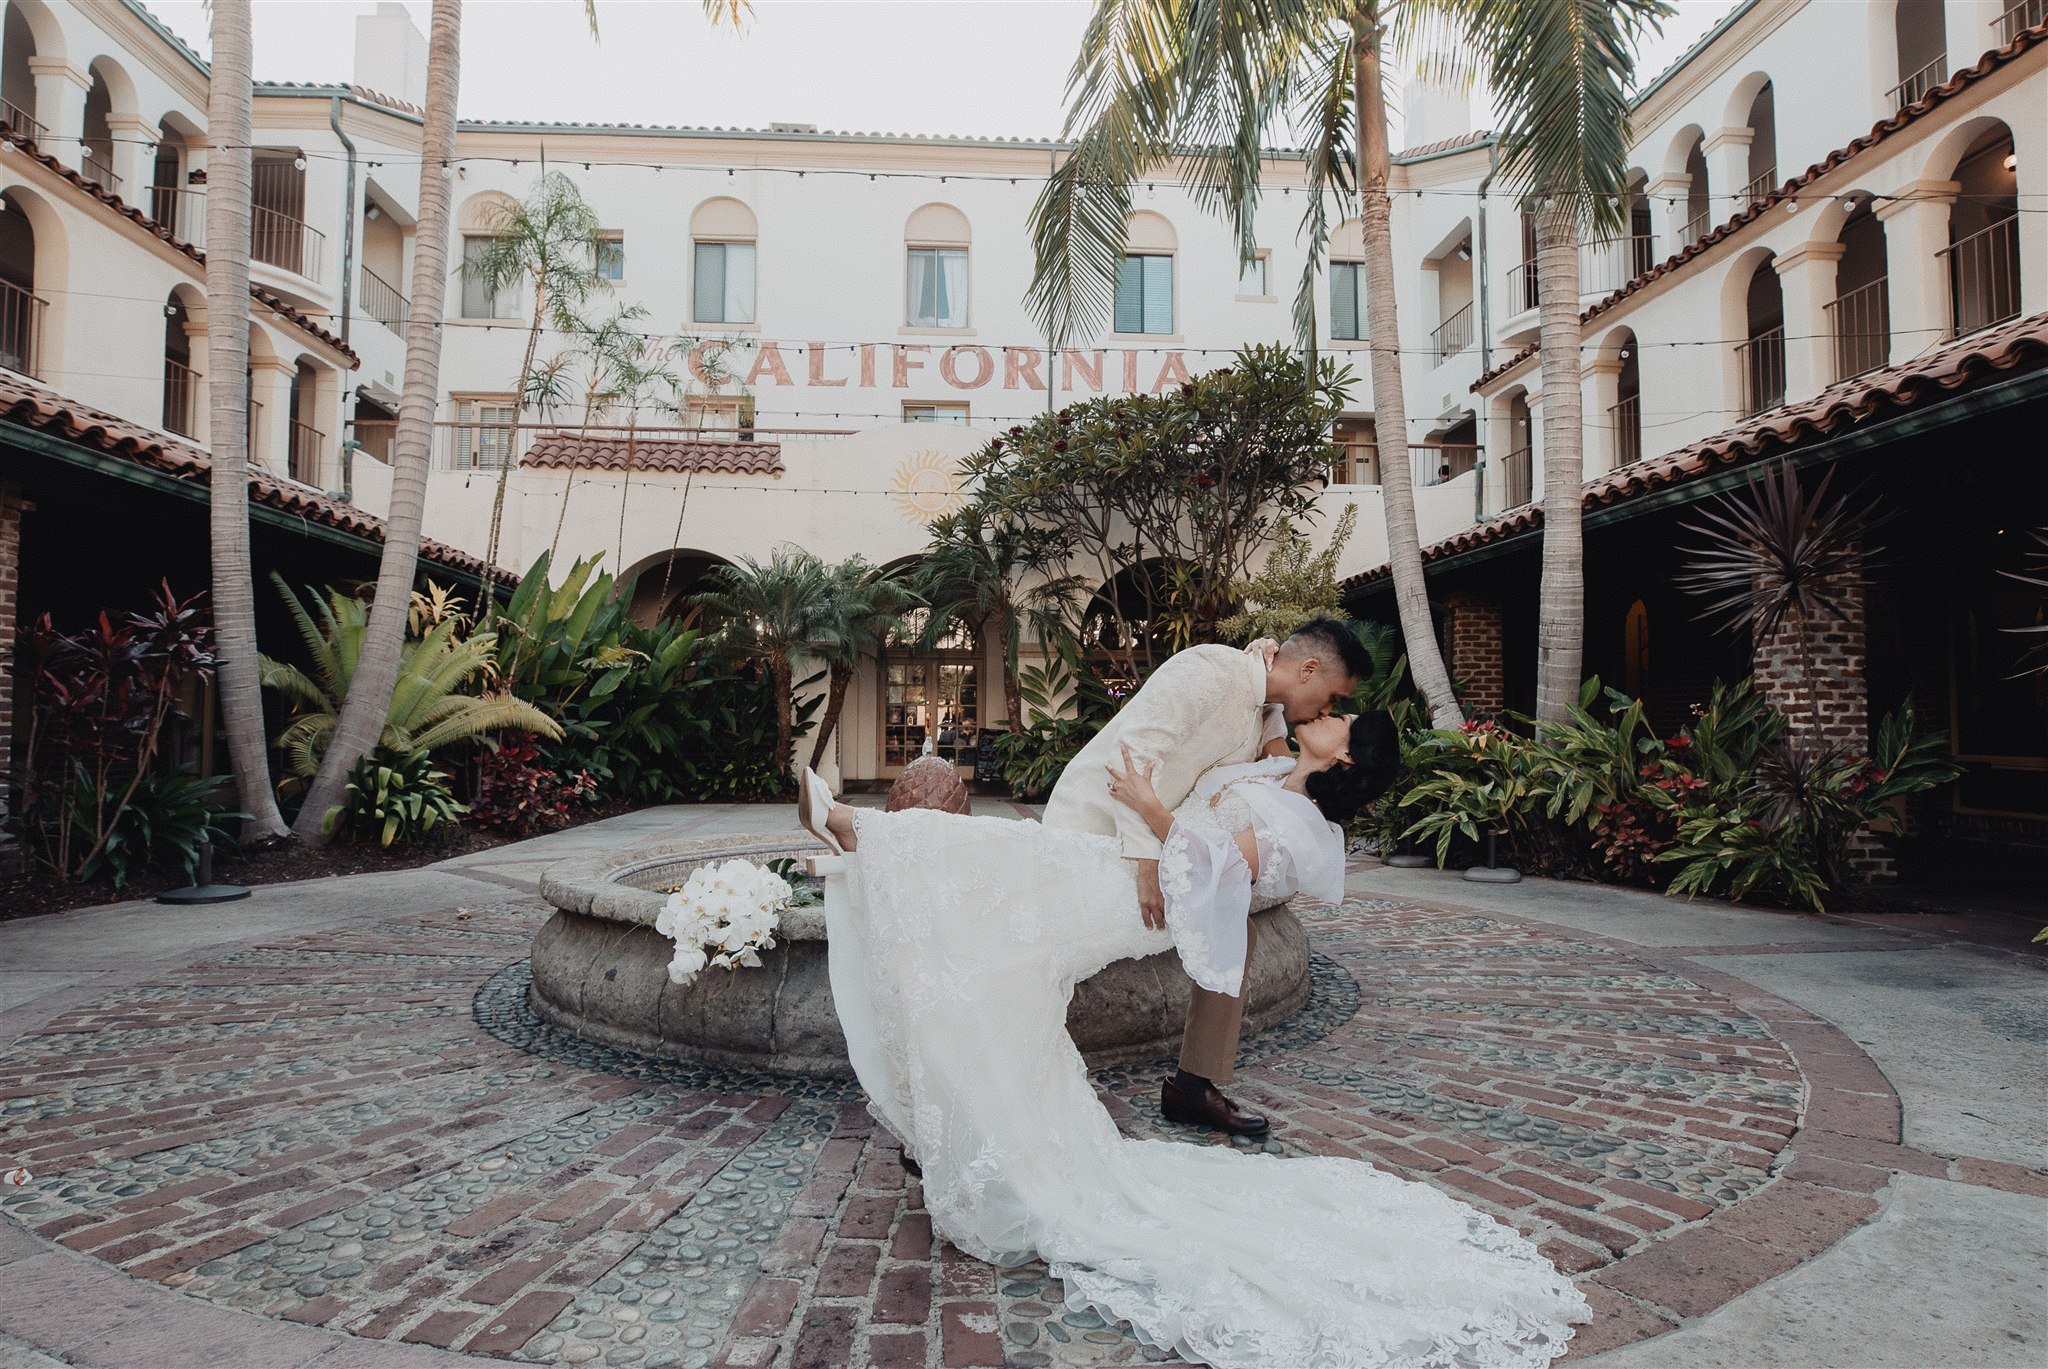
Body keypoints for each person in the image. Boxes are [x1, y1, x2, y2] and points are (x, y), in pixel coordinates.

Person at [795, 713, 1590, 1368]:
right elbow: (1261, 719)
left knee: (1017, 861)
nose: (1328, 711)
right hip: (1126, 862)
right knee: (1010, 880)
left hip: (1149, 895)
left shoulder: (1307, 828)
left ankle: (848, 827)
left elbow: (1222, 868)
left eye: (1341, 717)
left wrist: (1147, 804)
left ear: (1344, 754)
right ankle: (858, 842)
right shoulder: (1275, 770)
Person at [1042, 618, 1370, 1137]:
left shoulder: (1270, 723)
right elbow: (1134, 756)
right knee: (1038, 964)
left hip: (1157, 850)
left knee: (1240, 928)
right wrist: (1146, 857)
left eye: (1337, 711)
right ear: (1308, 670)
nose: (1328, 710)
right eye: (1332, 697)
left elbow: (1279, 768)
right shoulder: (1211, 673)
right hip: (1096, 832)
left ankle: (1193, 1086)